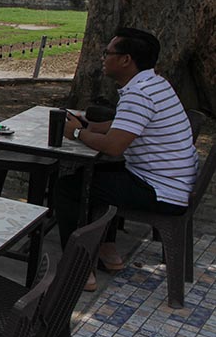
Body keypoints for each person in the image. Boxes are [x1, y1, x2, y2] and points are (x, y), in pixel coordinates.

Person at [55, 27, 199, 290]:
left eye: (108, 53)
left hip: (161, 191)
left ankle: (78, 268)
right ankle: (108, 250)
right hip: (173, 183)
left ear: (125, 60)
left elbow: (113, 147)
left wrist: (75, 132)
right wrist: (92, 126)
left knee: (70, 187)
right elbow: (126, 125)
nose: (103, 57)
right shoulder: (155, 83)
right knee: (101, 176)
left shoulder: (138, 94)